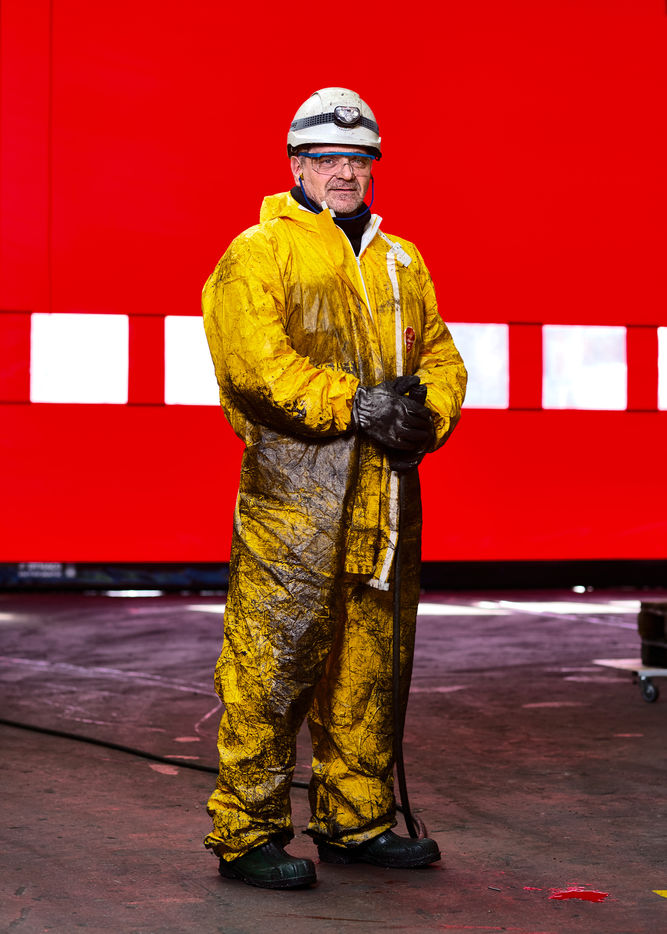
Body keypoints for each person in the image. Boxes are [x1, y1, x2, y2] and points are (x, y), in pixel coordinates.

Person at [202, 87, 467, 889]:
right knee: (272, 662)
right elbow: (252, 365)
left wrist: (429, 415)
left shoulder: (400, 261)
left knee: (370, 669)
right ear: (295, 166)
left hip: (384, 502)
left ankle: (356, 821)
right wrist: (354, 403)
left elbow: (440, 357)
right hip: (295, 503)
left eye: (357, 159)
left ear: (372, 167)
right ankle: (247, 833)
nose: (343, 173)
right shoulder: (260, 252)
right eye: (326, 159)